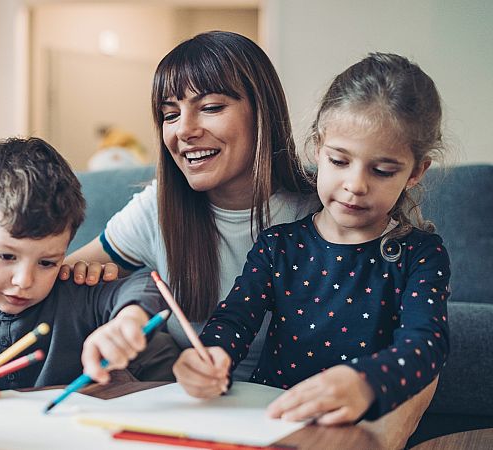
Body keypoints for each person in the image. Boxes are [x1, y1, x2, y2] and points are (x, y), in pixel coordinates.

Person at [65, 32, 440, 448]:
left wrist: (380, 433)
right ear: (320, 149)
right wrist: (126, 310)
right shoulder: (177, 211)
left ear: (260, 111)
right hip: (210, 408)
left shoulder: (327, 210)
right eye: (170, 114)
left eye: (210, 107)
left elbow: (424, 343)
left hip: (305, 418)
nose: (185, 130)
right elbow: (54, 274)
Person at [173, 53, 449, 425]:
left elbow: (426, 345)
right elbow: (235, 319)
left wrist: (365, 384)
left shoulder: (420, 254)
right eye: (339, 161)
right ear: (318, 149)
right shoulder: (278, 245)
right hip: (271, 420)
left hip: (354, 429)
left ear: (416, 171)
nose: (355, 185)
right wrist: (210, 355)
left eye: (382, 170)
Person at [0, 137, 164, 399]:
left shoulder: (78, 294)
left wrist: (130, 318)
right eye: (6, 255)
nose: (24, 281)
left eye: (47, 262)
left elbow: (145, 286)